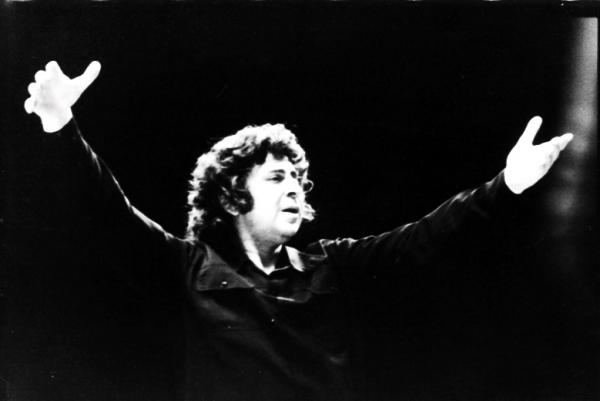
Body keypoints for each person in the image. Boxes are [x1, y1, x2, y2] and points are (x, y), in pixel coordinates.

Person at [23, 60, 573, 401]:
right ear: (232, 196)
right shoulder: (186, 269)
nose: (295, 189)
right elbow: (107, 211)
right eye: (277, 177)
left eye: (298, 180)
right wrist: (59, 124)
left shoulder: (332, 265)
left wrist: (507, 184)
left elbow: (426, 237)